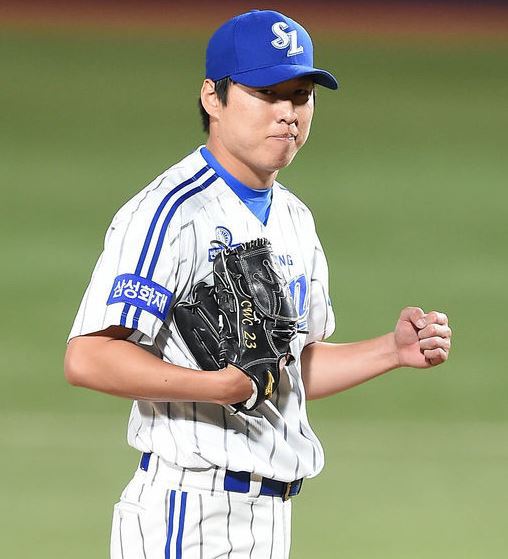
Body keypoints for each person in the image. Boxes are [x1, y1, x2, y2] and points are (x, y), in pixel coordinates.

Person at [64, 9, 452, 559]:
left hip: (270, 520)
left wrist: (391, 351)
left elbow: (284, 371)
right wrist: (216, 386)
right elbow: (87, 357)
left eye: (300, 96)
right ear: (213, 97)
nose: (287, 113)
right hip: (186, 515)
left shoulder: (295, 218)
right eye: (267, 94)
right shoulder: (171, 214)